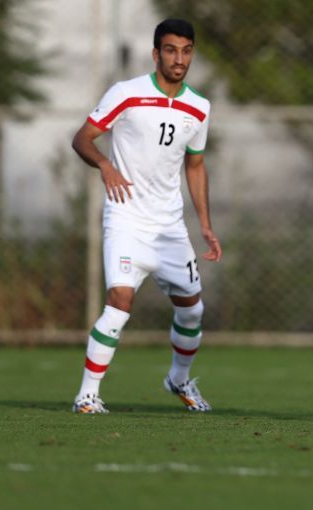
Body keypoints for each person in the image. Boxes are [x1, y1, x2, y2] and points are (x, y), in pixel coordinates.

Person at [70, 18, 222, 413]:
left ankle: (178, 379)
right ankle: (87, 395)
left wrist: (205, 225)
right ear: (156, 54)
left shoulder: (199, 107)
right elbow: (82, 138)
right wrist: (105, 165)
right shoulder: (127, 93)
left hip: (169, 227)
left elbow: (195, 166)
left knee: (193, 310)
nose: (179, 59)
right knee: (119, 300)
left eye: (186, 51)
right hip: (126, 218)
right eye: (171, 50)